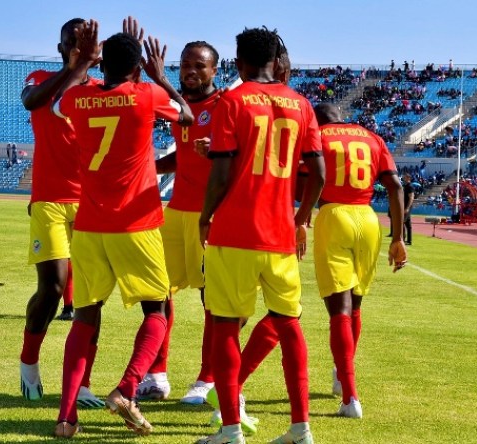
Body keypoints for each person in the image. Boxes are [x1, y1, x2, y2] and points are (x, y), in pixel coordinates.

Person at [51, 21, 194, 438]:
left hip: (90, 225)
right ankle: (127, 388)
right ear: (137, 69)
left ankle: (66, 417)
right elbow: (186, 116)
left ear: (102, 64)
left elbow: (57, 105)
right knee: (158, 310)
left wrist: (82, 62)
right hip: (136, 222)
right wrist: (160, 78)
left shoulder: (77, 98)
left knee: (85, 318)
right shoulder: (146, 94)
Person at [196, 27, 325, 444]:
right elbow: (318, 173)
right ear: (275, 59)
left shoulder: (233, 101)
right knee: (289, 325)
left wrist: (205, 215)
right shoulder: (301, 104)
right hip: (280, 234)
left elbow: (220, 172)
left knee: (225, 327)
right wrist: (301, 218)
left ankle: (231, 430)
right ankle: (301, 428)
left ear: (238, 62)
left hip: (235, 232)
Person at [18, 18, 100, 409]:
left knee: (90, 296)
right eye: (73, 42)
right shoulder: (40, 78)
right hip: (50, 199)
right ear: (61, 47)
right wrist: (73, 68)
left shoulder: (100, 91)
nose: (79, 48)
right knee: (52, 288)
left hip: (91, 202)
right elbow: (30, 101)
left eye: (86, 43)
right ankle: (29, 363)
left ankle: (82, 384)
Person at [136, 39, 222, 405]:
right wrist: (149, 167)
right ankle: (156, 375)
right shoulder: (178, 107)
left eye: (199, 65)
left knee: (212, 300)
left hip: (210, 216)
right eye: (186, 64)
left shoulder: (225, 106)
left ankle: (207, 379)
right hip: (175, 213)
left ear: (214, 70)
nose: (190, 70)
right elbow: (183, 156)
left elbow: (233, 157)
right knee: (158, 292)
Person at [312, 102, 407, 418]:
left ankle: (350, 397)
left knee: (338, 309)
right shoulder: (372, 137)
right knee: (355, 305)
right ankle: (342, 375)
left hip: (333, 215)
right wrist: (398, 238)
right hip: (368, 219)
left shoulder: (318, 135)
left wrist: (300, 217)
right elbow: (395, 185)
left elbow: (307, 179)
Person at [402, 174, 414, 245]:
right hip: (404, 207)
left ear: (409, 178)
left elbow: (411, 198)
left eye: (405, 177)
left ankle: (403, 239)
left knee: (402, 222)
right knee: (408, 224)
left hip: (407, 207)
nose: (403, 178)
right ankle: (409, 241)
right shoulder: (405, 186)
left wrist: (407, 208)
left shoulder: (410, 186)